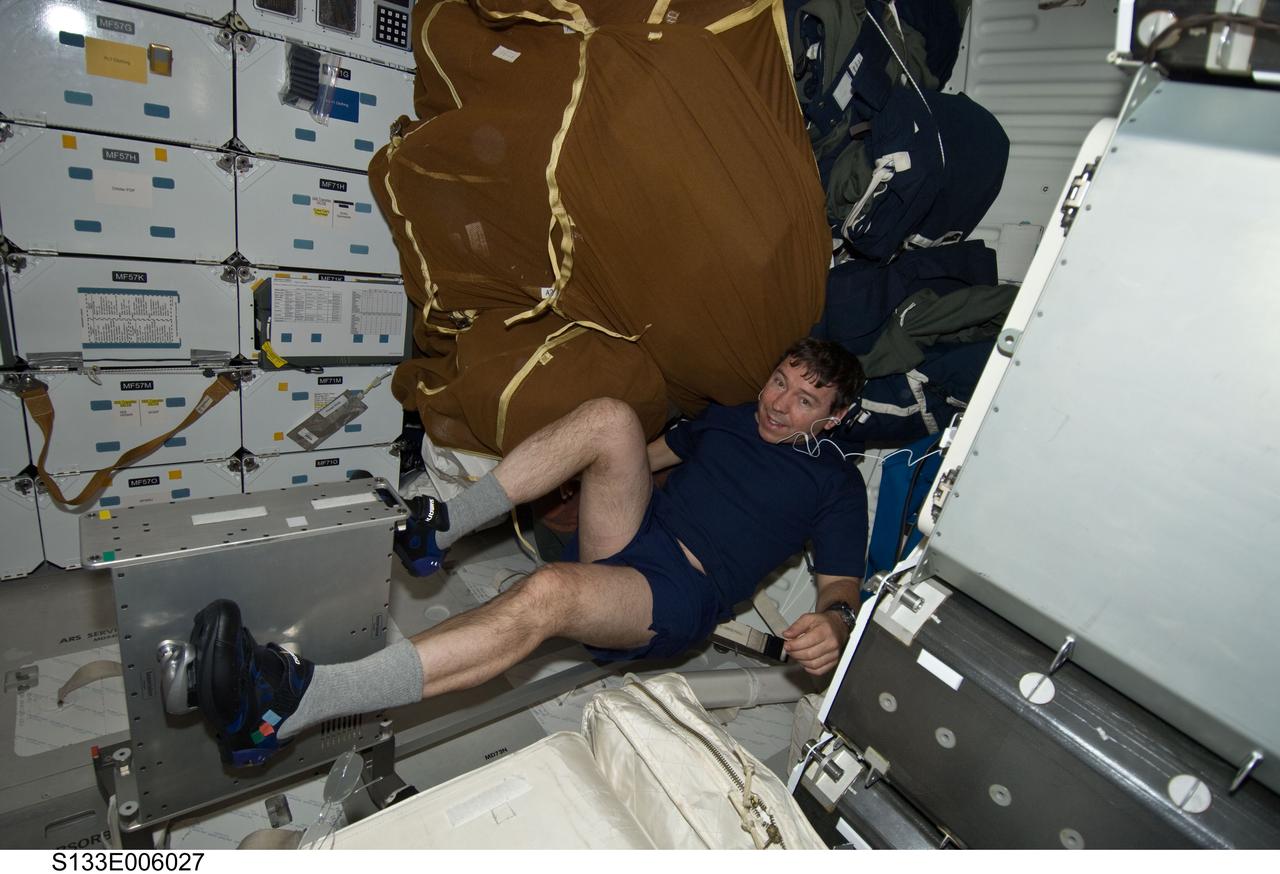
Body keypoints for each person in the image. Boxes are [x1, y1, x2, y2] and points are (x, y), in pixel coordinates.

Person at [189, 337, 869, 766]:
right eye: (780, 380)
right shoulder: (727, 417)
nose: (779, 405)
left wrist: (834, 623)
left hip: (677, 591)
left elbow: (842, 584)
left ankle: (287, 706)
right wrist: (582, 473)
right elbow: (638, 455)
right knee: (609, 416)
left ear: (834, 418)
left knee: (543, 595)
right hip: (636, 533)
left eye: (806, 400)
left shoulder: (834, 483)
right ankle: (442, 528)